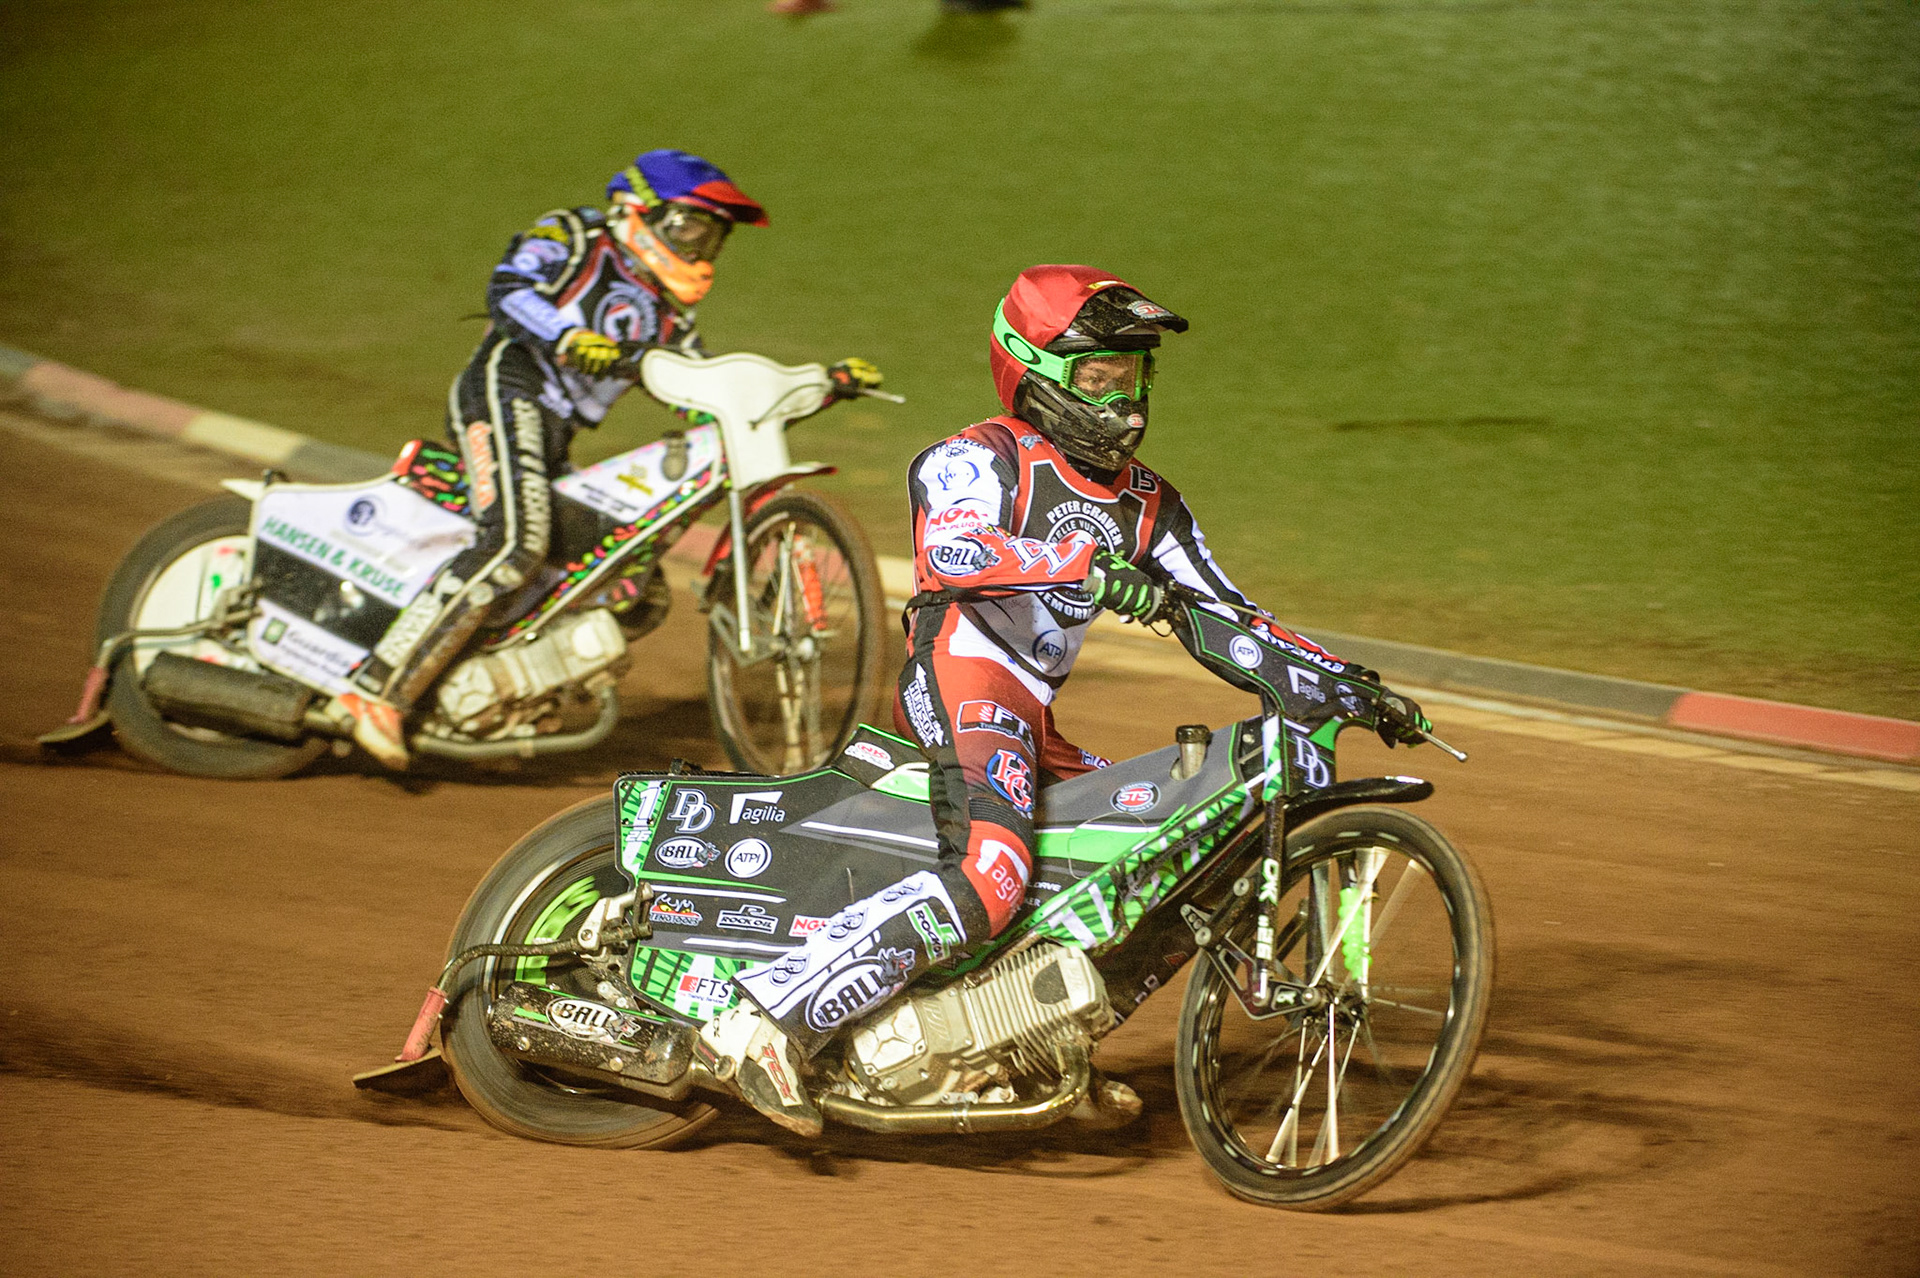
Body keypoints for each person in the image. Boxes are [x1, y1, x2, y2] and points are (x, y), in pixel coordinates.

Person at [704, 263, 1429, 1135]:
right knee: (994, 868)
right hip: (963, 676)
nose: (1124, 397)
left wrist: (1350, 685)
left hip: (1029, 714)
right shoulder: (978, 456)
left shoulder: (1150, 505)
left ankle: (1029, 1045)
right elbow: (953, 555)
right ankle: (763, 1022)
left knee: (1164, 863)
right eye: (1099, 376)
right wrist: (1085, 566)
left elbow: (1231, 618)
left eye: (1132, 374)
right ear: (1034, 370)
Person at [338, 149, 881, 768]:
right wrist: (567, 337)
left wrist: (817, 387)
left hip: (556, 433)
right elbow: (507, 289)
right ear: (641, 213)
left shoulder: (669, 317)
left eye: (715, 236)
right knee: (516, 542)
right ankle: (377, 688)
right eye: (693, 227)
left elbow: (706, 396)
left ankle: (490, 680)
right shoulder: (574, 235)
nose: (704, 247)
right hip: (508, 390)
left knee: (633, 590)